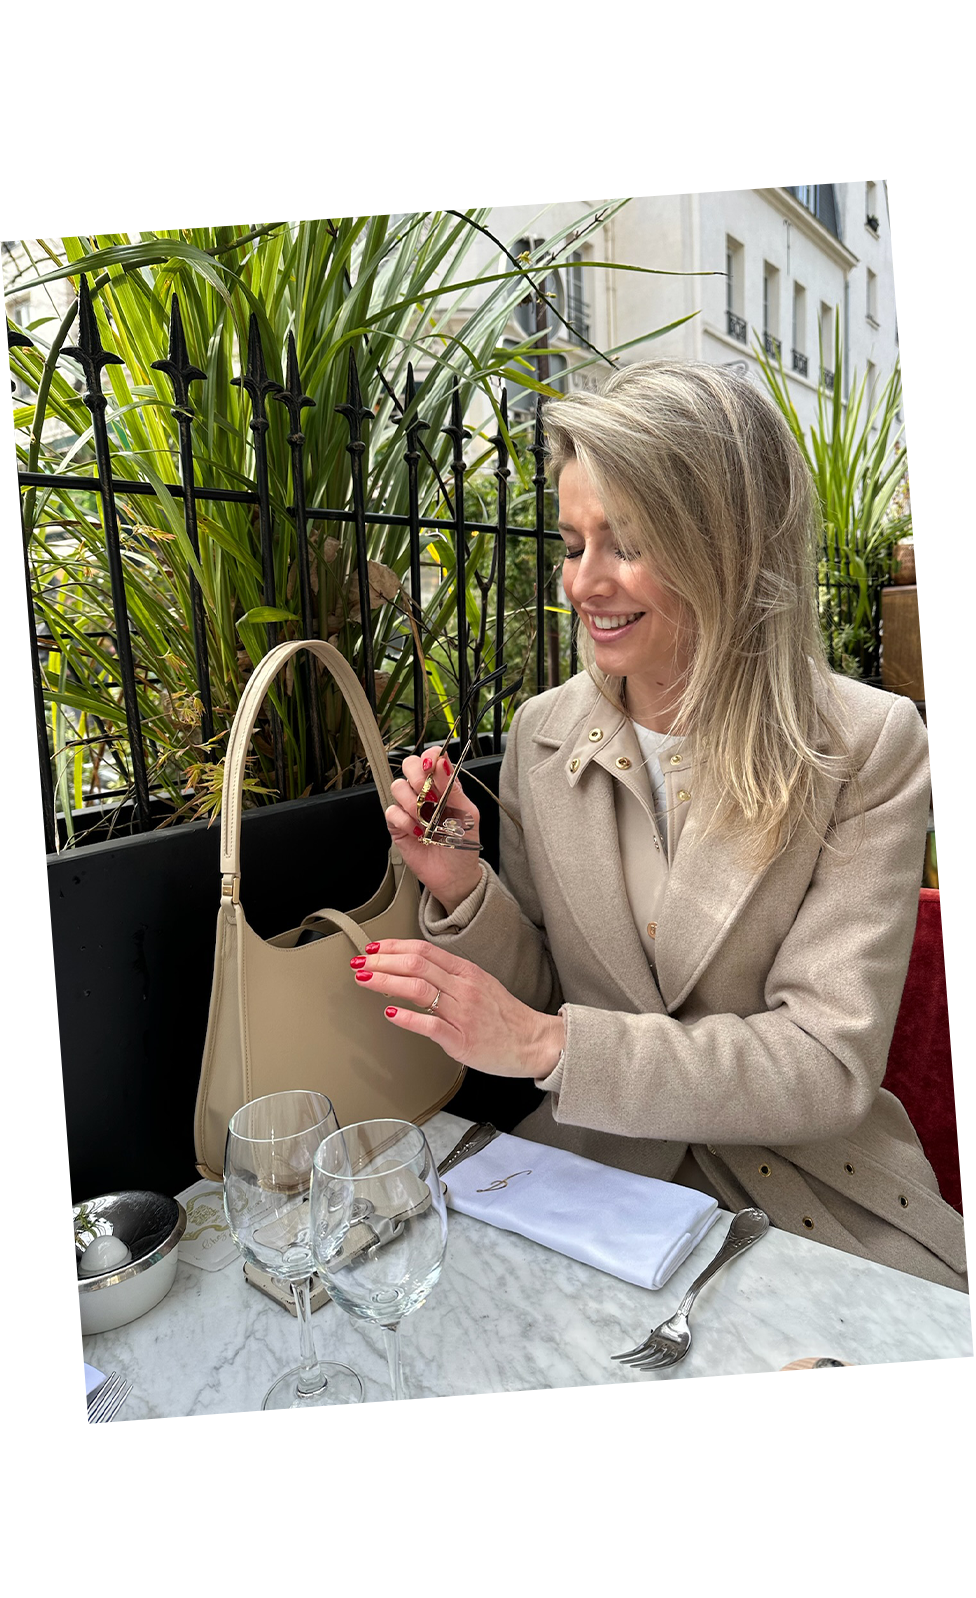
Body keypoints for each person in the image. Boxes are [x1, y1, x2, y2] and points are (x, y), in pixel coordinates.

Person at [350, 361, 971, 1294]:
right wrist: (464, 889)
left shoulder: (862, 742)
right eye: (572, 543)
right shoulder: (541, 732)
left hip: (803, 1191)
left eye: (627, 544)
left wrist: (551, 1048)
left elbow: (825, 1063)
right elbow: (558, 987)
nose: (584, 584)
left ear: (723, 545)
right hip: (594, 1178)